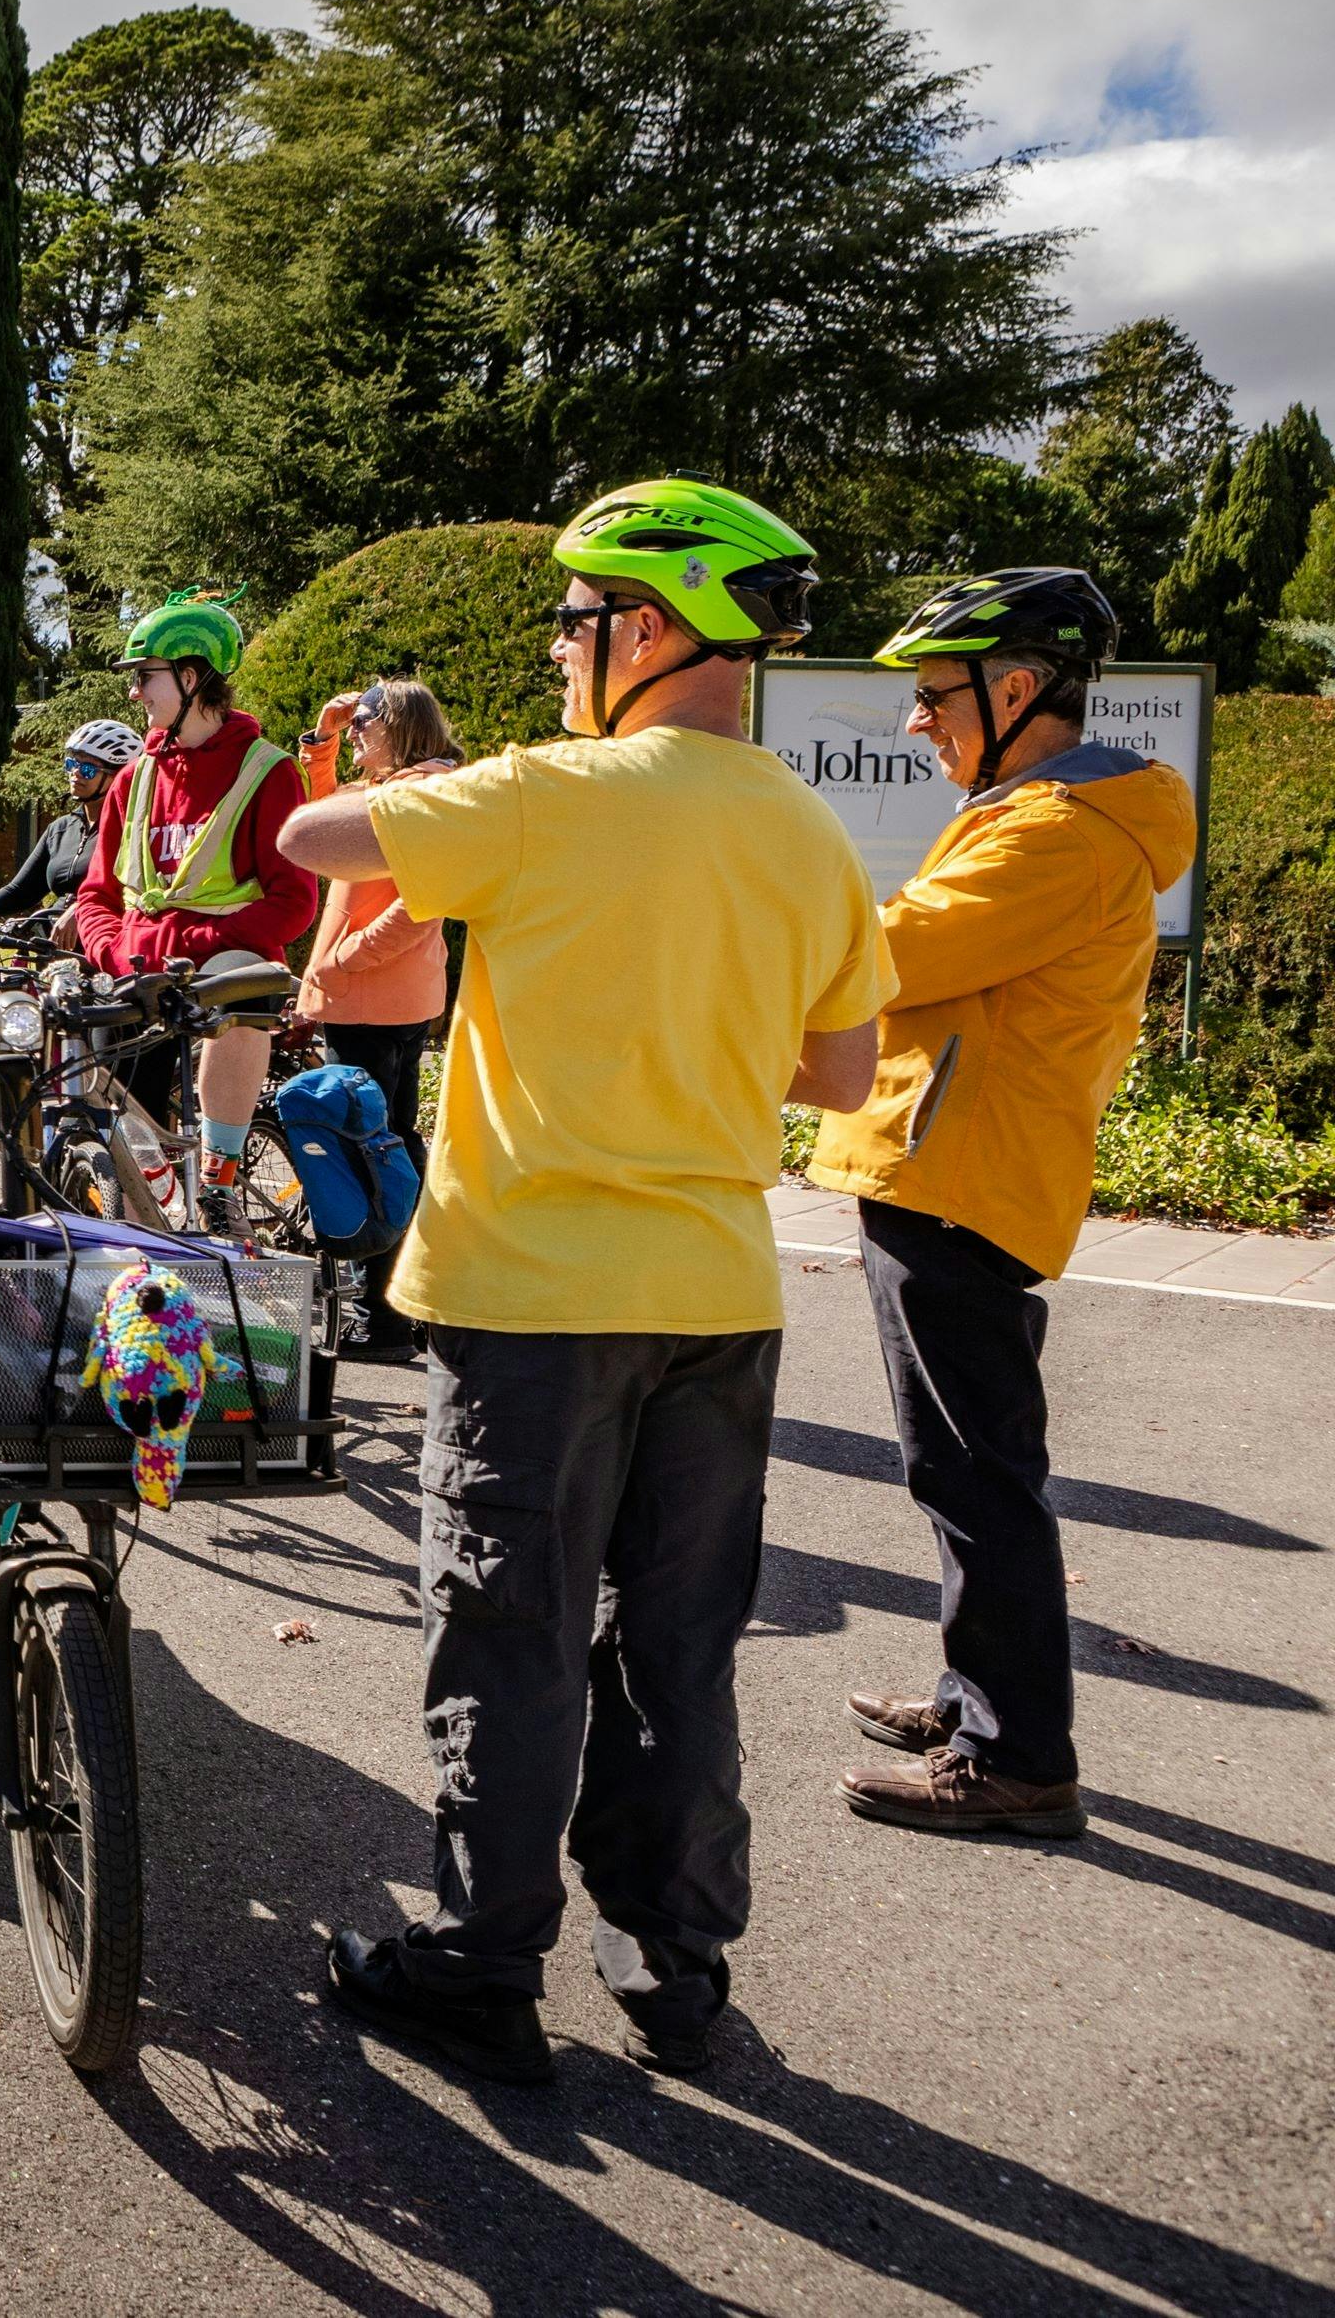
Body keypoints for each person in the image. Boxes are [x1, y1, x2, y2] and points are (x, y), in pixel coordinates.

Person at [275, 479, 894, 2083]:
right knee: (676, 1641)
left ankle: (483, 1963)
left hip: (534, 1290)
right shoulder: (804, 825)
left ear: (647, 626)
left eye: (571, 619)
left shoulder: (543, 791)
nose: (558, 647)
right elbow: (840, 1072)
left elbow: (305, 836)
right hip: (718, 1293)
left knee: (513, 1628)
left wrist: (429, 776)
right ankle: (672, 1963)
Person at [808, 568, 1193, 1842]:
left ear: (1015, 687)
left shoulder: (1055, 834)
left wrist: (755, 937)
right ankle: (975, 1702)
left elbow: (894, 955)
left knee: (977, 1476)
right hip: (954, 1163)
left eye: (935, 695)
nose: (916, 719)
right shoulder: (1033, 812)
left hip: (960, 1173)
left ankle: (1016, 1759)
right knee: (963, 1468)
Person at [74, 591, 321, 1214]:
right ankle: (149, 1204)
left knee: (243, 983)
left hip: (210, 974)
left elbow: (293, 902)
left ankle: (218, 1183)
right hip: (134, 971)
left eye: (145, 676)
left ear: (190, 678)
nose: (134, 692)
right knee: (117, 1145)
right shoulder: (134, 777)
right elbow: (98, 893)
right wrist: (112, 951)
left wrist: (193, 947)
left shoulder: (268, 772)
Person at [291, 679, 464, 1348]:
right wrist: (325, 736)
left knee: (369, 1149)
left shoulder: (422, 793)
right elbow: (322, 827)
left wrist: (344, 960)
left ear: (402, 728)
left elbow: (421, 902)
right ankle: (401, 1304)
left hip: (372, 1000)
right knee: (388, 1141)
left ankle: (384, 1315)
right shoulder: (392, 789)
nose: (357, 727)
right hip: (374, 997)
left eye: (367, 720)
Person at [0, 717, 145, 918]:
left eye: (88, 769)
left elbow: (134, 891)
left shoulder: (134, 830)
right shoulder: (60, 829)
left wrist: (81, 907)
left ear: (120, 776)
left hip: (108, 931)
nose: (75, 773)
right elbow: (21, 891)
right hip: (55, 933)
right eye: (71, 764)